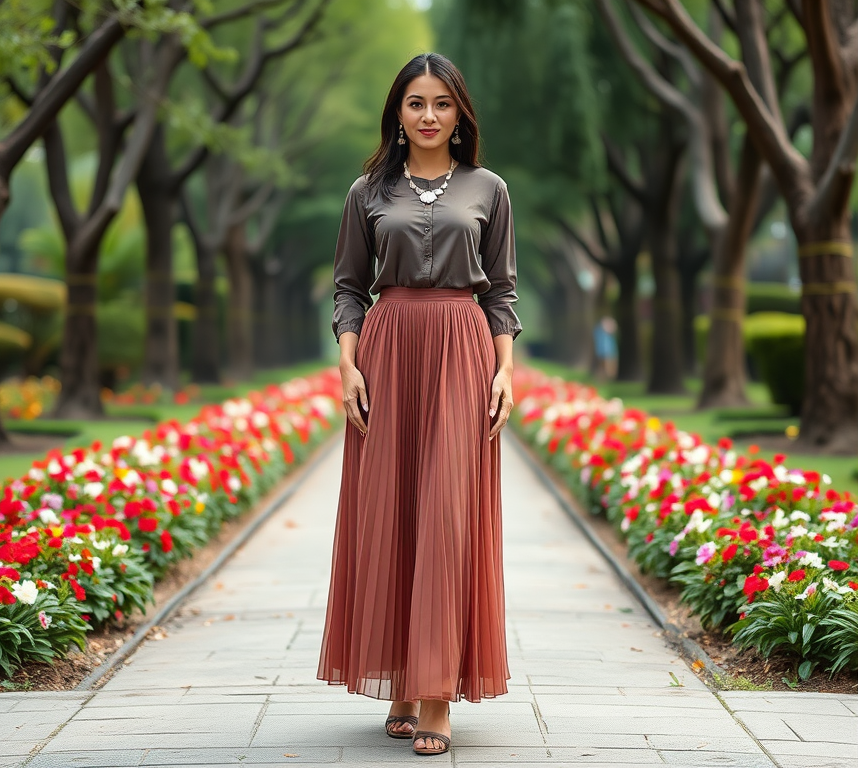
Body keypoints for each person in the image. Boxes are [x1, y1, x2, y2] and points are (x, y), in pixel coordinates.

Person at [316, 52, 522, 756]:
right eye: (415, 103)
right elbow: (348, 286)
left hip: (463, 353)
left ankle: (437, 698)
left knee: (448, 512)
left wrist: (504, 372)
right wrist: (347, 366)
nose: (429, 115)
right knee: (393, 510)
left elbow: (501, 291)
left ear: (460, 112)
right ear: (397, 115)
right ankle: (402, 681)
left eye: (441, 103)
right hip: (388, 350)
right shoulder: (366, 191)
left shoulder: (488, 189)